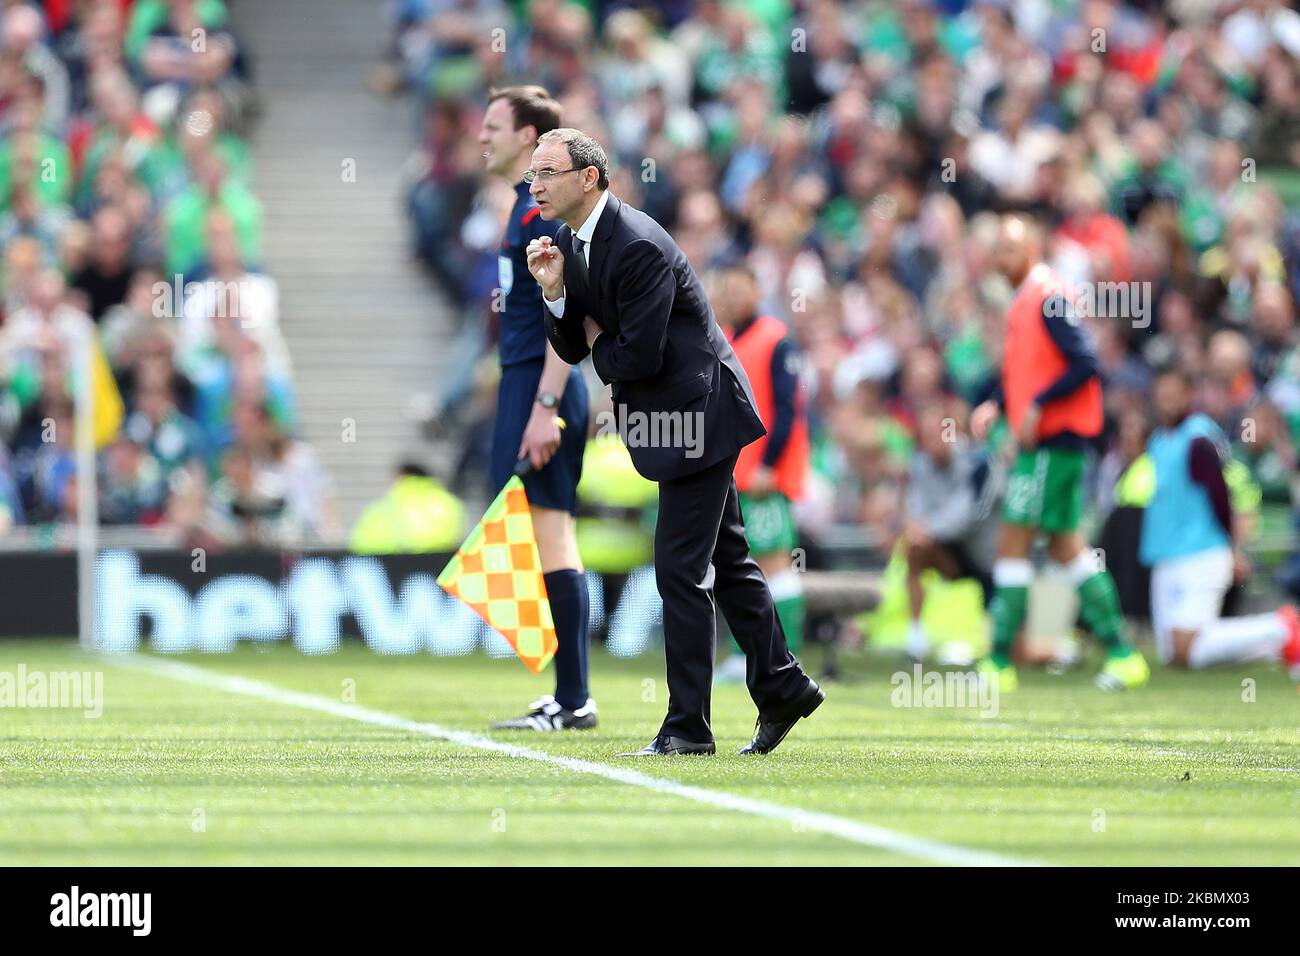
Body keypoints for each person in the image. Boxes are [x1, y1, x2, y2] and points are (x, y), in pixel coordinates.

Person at [525, 128, 822, 756]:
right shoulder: (574, 245)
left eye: (549, 171)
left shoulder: (633, 243)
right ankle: (783, 684)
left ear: (589, 178)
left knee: (680, 572)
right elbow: (581, 346)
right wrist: (556, 294)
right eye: (534, 174)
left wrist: (598, 335)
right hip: (678, 417)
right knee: (730, 562)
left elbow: (639, 353)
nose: (536, 184)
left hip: (700, 416)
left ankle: (689, 728)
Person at [970, 214, 1150, 691]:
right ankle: (1123, 652)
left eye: (1008, 250)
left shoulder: (1047, 296)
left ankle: (999, 663)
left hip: (1054, 444)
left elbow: (1086, 363)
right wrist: (998, 405)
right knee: (1064, 545)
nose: (998, 260)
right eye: (996, 252)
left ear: (1032, 249)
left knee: (1013, 543)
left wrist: (1036, 407)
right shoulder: (1027, 300)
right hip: (1051, 444)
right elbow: (1032, 373)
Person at [477, 87, 596, 732]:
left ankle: (575, 699)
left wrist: (546, 404)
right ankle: (569, 693)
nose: (482, 136)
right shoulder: (521, 208)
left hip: (541, 387)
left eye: (493, 125)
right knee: (539, 533)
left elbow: (567, 310)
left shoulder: (541, 211)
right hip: (525, 383)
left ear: (528, 138)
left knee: (551, 532)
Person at [1140, 369, 1300, 671]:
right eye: (1162, 394)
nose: (1166, 401)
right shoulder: (1159, 440)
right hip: (1167, 552)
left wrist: (1229, 547)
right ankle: (1277, 643)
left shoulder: (1198, 440)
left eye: (1173, 394)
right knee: (1174, 655)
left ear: (1188, 395)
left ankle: (1282, 626)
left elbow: (1219, 497)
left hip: (1200, 551)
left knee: (1188, 651)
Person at [711, 261, 809, 680]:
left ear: (755, 289)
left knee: (773, 564)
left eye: (739, 288)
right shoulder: (728, 339)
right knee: (743, 564)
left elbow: (788, 410)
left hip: (766, 477)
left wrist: (771, 465)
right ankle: (751, 654)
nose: (732, 297)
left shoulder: (776, 340)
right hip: (740, 476)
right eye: (725, 289)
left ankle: (787, 656)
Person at [903, 402, 1000, 660]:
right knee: (914, 549)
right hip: (952, 554)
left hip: (988, 562)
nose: (933, 441)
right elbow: (915, 507)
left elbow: (967, 516)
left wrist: (927, 528)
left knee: (1018, 651)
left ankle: (1060, 652)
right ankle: (916, 636)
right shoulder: (921, 465)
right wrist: (918, 529)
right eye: (927, 436)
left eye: (938, 433)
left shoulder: (977, 462)